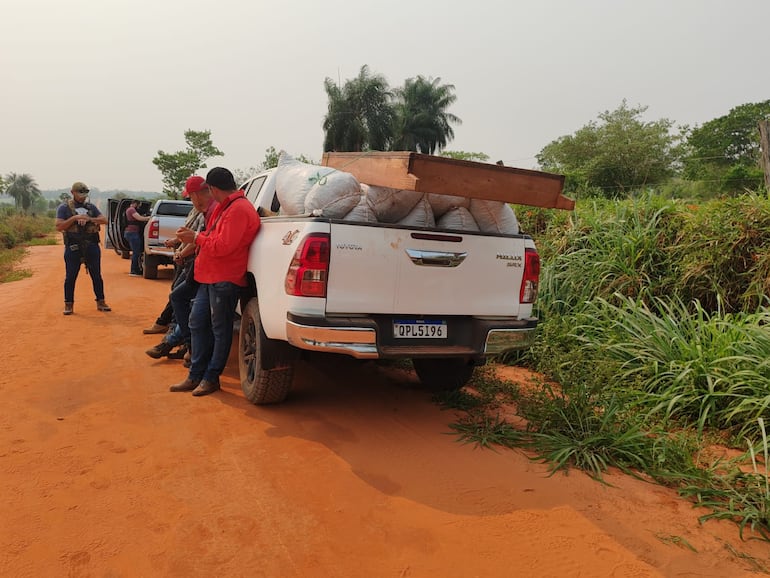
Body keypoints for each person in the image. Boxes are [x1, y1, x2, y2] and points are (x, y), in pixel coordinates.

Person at [169, 167, 260, 396]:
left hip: (225, 277)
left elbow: (223, 246)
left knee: (220, 329)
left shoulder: (238, 209)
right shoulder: (225, 207)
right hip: (209, 276)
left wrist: (195, 238)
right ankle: (196, 375)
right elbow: (214, 237)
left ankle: (211, 377)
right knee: (197, 322)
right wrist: (197, 238)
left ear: (212, 188)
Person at [146, 176, 217, 361]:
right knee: (182, 300)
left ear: (196, 194)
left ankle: (184, 344)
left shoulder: (211, 211)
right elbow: (194, 236)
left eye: (191, 196)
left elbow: (199, 239)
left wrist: (181, 253)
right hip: (200, 264)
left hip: (205, 266)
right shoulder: (202, 211)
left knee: (183, 302)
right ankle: (180, 343)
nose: (191, 200)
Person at [55, 181, 111, 315]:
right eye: (80, 193)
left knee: (96, 275)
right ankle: (68, 305)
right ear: (72, 192)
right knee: (70, 276)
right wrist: (75, 218)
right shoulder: (64, 208)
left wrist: (89, 219)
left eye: (85, 193)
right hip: (73, 245)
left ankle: (101, 302)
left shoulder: (91, 207)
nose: (83, 196)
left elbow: (104, 220)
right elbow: (59, 226)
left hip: (91, 244)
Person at [124, 200, 150, 276]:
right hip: (132, 233)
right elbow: (139, 218)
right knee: (136, 253)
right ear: (135, 204)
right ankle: (134, 270)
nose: (139, 207)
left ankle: (136, 269)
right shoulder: (131, 209)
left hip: (131, 233)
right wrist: (150, 218)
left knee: (136, 252)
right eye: (139, 205)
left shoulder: (129, 209)